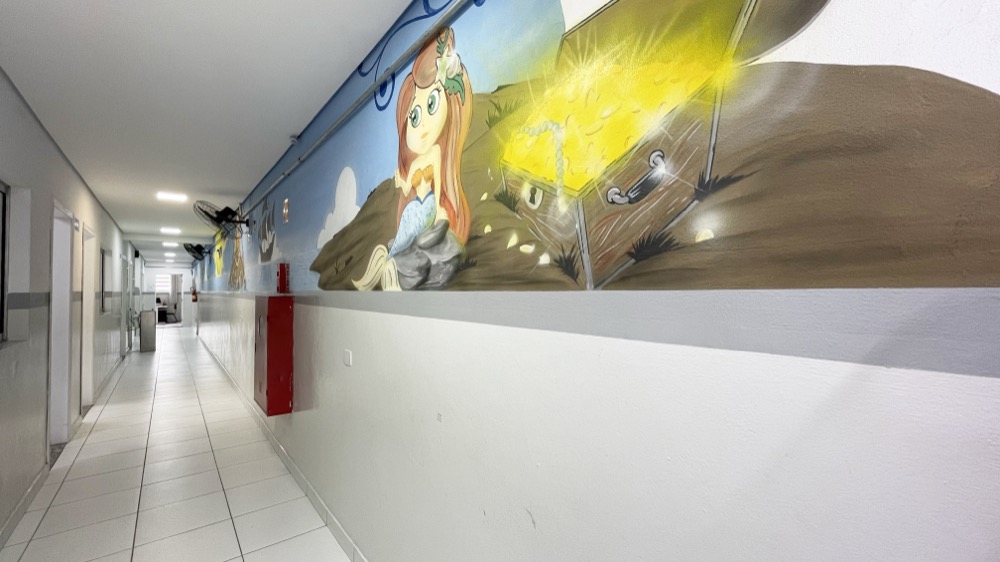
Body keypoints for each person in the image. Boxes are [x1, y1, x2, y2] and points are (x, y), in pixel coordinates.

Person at [354, 27, 472, 291]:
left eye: (432, 104)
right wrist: (401, 181)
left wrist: (440, 210)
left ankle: (391, 264)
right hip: (416, 210)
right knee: (407, 231)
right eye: (414, 117)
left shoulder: (437, 155)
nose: (423, 125)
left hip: (427, 209)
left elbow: (438, 189)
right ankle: (390, 264)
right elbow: (408, 187)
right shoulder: (419, 163)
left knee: (415, 232)